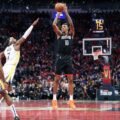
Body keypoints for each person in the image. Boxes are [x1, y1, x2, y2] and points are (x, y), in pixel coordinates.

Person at [0, 18, 39, 120]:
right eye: (12, 38)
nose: (14, 38)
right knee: (4, 92)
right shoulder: (15, 45)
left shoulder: (5, 50)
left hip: (4, 69)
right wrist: (32, 25)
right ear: (10, 42)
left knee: (4, 92)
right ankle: (15, 115)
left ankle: (16, 115)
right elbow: (25, 36)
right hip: (8, 71)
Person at [52, 4, 76, 109]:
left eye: (65, 26)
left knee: (71, 80)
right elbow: (53, 25)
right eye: (63, 26)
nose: (64, 27)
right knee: (56, 79)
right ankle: (54, 100)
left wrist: (66, 12)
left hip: (68, 59)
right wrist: (58, 14)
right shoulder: (59, 35)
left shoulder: (71, 34)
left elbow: (71, 23)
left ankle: (71, 100)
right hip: (60, 58)